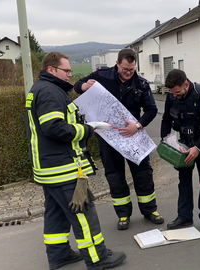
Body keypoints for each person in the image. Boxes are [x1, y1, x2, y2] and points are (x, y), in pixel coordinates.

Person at [25, 51, 126, 270]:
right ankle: (97, 258)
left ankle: (59, 255)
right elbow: (53, 128)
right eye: (67, 70)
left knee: (56, 213)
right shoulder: (51, 92)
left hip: (48, 169)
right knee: (83, 212)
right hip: (63, 169)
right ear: (51, 70)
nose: (70, 75)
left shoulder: (41, 89)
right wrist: (88, 129)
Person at [74, 48, 163, 230]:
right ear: (117, 64)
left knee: (144, 174)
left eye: (132, 70)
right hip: (108, 137)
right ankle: (123, 214)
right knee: (114, 175)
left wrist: (137, 126)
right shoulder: (102, 76)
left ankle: (150, 210)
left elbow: (151, 110)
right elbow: (77, 86)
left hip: (133, 136)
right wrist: (82, 87)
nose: (129, 73)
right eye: (125, 70)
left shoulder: (141, 84)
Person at [160, 69, 200, 234]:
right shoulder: (172, 96)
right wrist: (166, 140)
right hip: (184, 144)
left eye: (177, 92)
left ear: (185, 84)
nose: (175, 96)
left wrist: (198, 148)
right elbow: (166, 119)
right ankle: (184, 216)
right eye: (173, 93)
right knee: (183, 181)